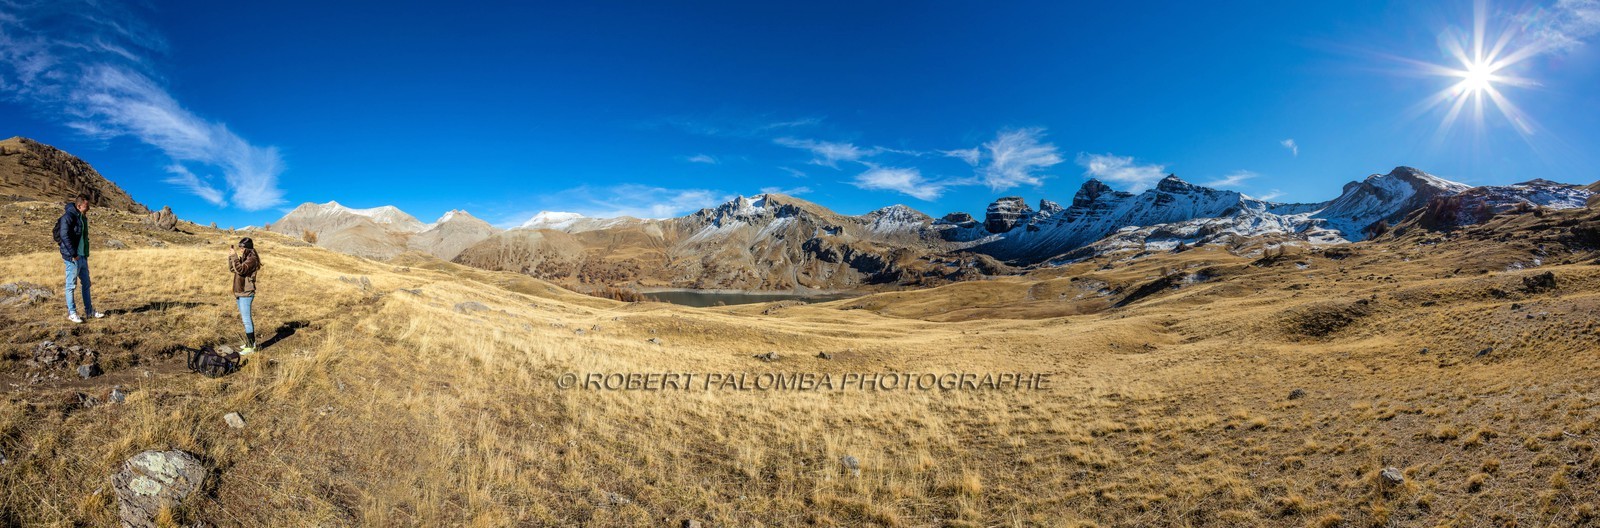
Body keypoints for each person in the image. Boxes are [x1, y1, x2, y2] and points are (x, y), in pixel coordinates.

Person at [54, 194, 103, 323]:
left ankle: (89, 311)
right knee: (71, 285)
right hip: (72, 257)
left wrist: (84, 255)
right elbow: (64, 235)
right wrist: (73, 254)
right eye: (87, 206)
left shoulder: (83, 218)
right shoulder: (68, 217)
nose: (89, 208)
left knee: (86, 284)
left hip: (82, 257)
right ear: (79, 205)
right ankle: (72, 313)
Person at [229, 237, 262, 354]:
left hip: (246, 293)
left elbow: (241, 270)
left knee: (246, 320)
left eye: (242, 247)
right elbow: (233, 269)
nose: (241, 249)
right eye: (239, 247)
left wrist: (234, 257)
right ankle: (250, 343)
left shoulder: (252, 259)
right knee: (245, 319)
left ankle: (250, 348)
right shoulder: (245, 257)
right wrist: (231, 257)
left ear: (247, 247)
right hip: (240, 291)